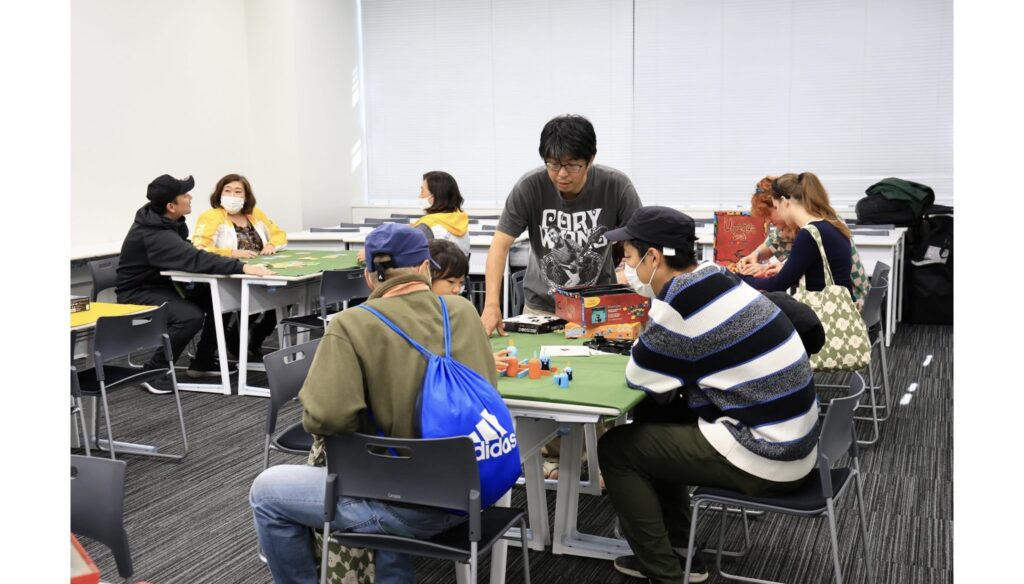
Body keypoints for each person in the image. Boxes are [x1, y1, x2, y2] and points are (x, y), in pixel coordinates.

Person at [249, 223, 497, 584]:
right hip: (478, 491)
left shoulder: (351, 324)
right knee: (384, 466)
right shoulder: (462, 310)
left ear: (369, 275)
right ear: (426, 267)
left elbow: (326, 418)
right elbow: (487, 387)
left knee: (266, 492)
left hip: (404, 503)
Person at [598, 206, 821, 584]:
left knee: (616, 450)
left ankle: (664, 574)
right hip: (797, 443)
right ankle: (683, 554)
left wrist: (652, 327)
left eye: (629, 257)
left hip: (768, 455)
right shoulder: (717, 276)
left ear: (653, 257)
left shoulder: (680, 305)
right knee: (657, 416)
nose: (626, 268)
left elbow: (638, 374)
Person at [481, 114, 643, 336]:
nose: (562, 174)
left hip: (597, 307)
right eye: (554, 164)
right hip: (541, 308)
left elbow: (642, 243)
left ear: (590, 159)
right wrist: (491, 305)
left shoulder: (616, 186)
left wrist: (634, 284)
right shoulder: (530, 187)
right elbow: (499, 246)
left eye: (572, 165)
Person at [115, 174, 273, 393]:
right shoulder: (155, 233)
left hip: (164, 286)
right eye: (184, 195)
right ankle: (154, 371)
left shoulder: (166, 222)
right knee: (189, 317)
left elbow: (188, 252)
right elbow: (194, 258)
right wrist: (241, 267)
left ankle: (202, 362)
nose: (190, 197)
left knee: (218, 300)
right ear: (171, 206)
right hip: (138, 292)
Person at [192, 173, 288, 360]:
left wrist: (271, 245)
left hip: (258, 272)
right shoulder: (211, 216)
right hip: (228, 275)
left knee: (286, 296)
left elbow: (279, 234)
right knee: (242, 304)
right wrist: (231, 253)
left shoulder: (255, 214)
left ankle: (256, 338)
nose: (232, 196)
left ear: (246, 196)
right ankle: (231, 341)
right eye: (227, 191)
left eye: (238, 192)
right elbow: (200, 248)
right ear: (219, 194)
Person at [738, 175, 870, 308]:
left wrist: (738, 279)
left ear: (784, 202)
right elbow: (775, 244)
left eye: (776, 208)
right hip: (844, 305)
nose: (769, 222)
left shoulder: (809, 233)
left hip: (832, 310)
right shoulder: (829, 223)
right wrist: (781, 267)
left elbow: (777, 284)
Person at [427, 239, 514, 373]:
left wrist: (481, 359)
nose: (456, 289)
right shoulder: (418, 315)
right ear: (427, 275)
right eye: (450, 281)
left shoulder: (456, 311)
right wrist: (477, 363)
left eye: (461, 283)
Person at [412, 171, 471, 255]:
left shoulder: (426, 227)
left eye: (422, 191)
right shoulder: (461, 222)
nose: (419, 196)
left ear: (435, 196)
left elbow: (412, 257)